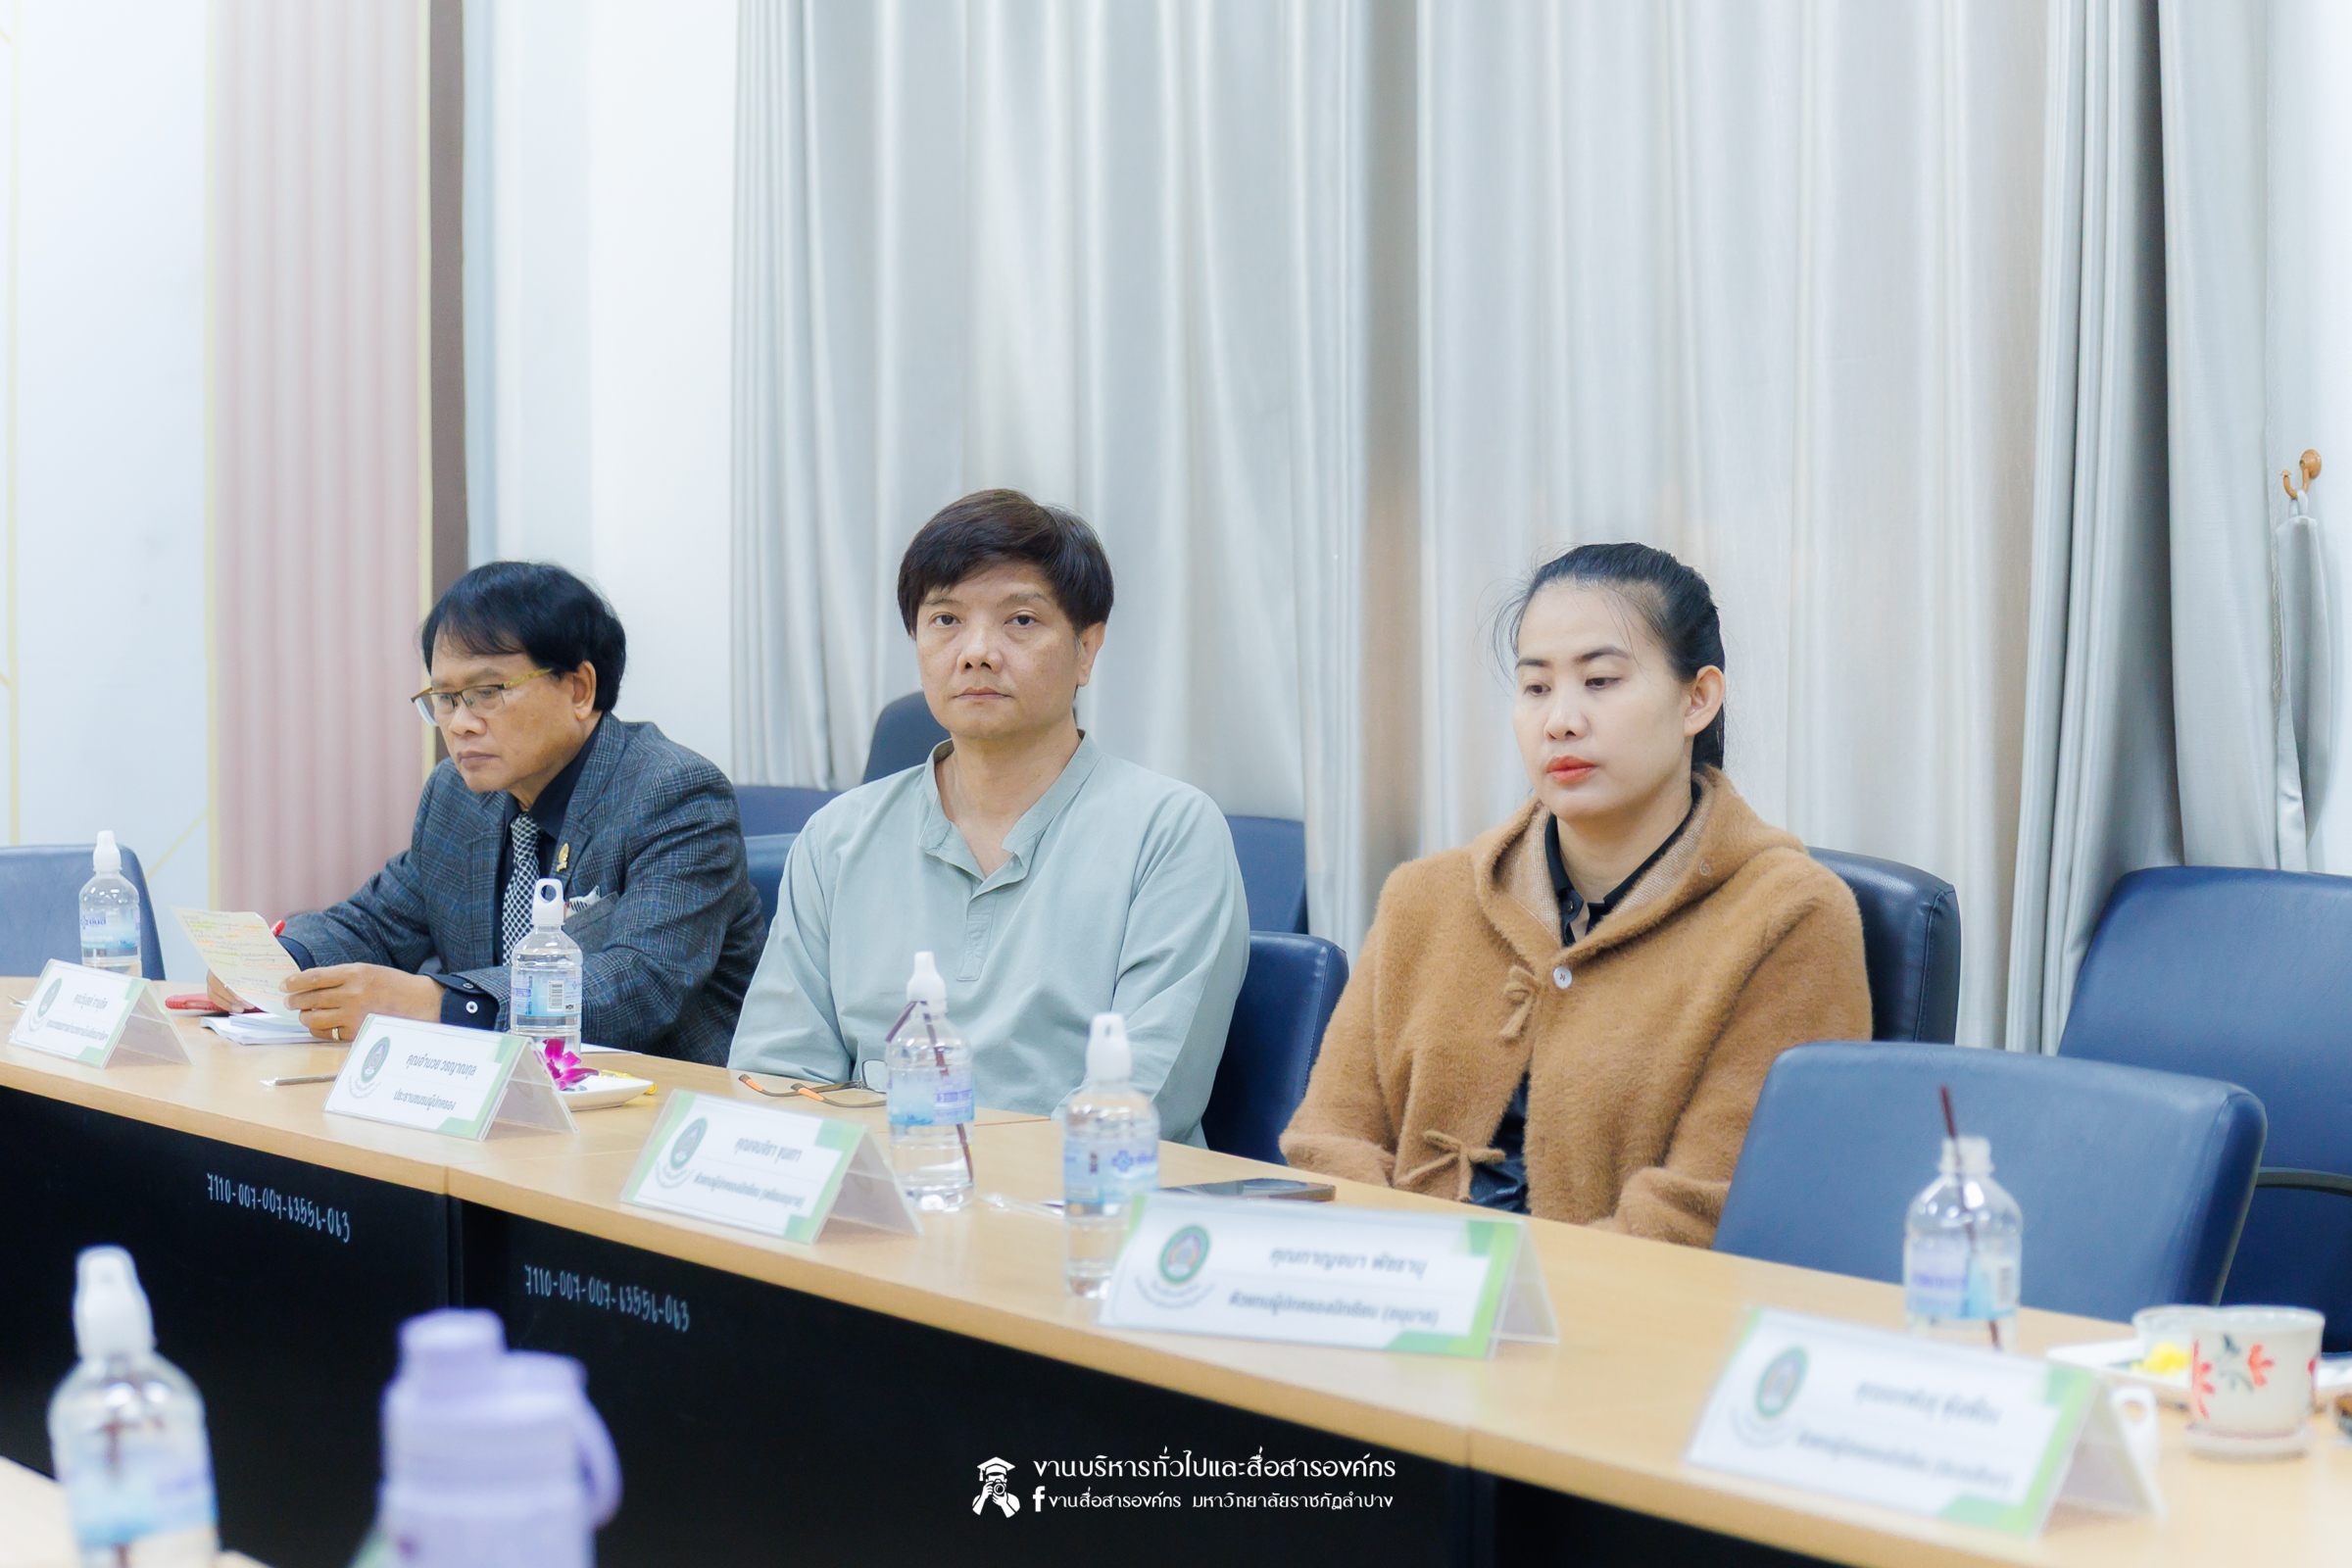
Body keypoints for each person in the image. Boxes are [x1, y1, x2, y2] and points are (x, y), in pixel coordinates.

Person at [1281, 542, 1869, 1245]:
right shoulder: (1423, 899)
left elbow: (1708, 1210)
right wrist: (1404, 1275)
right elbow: (1327, 1143)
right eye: (1536, 687)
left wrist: (1511, 1295)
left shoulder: (1790, 916)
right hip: (1405, 1291)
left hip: (1633, 1308)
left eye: (1600, 681)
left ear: (1697, 699)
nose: (1560, 719)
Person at [728, 489, 1250, 1144]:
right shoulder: (837, 838)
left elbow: (1143, 1095)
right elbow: (773, 1074)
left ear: (1087, 649)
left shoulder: (1170, 832)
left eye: (1021, 621)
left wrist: (958, 1181)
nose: (977, 651)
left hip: (1082, 1195)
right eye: (946, 619)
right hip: (876, 1192)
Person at [207, 562, 766, 1063]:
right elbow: (378, 923)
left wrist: (437, 1003)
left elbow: (638, 985)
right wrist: (279, 963)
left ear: (579, 689)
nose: (460, 724)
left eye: (487, 692)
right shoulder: (458, 797)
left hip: (658, 1104)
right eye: (445, 699)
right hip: (500, 1097)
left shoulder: (674, 794)